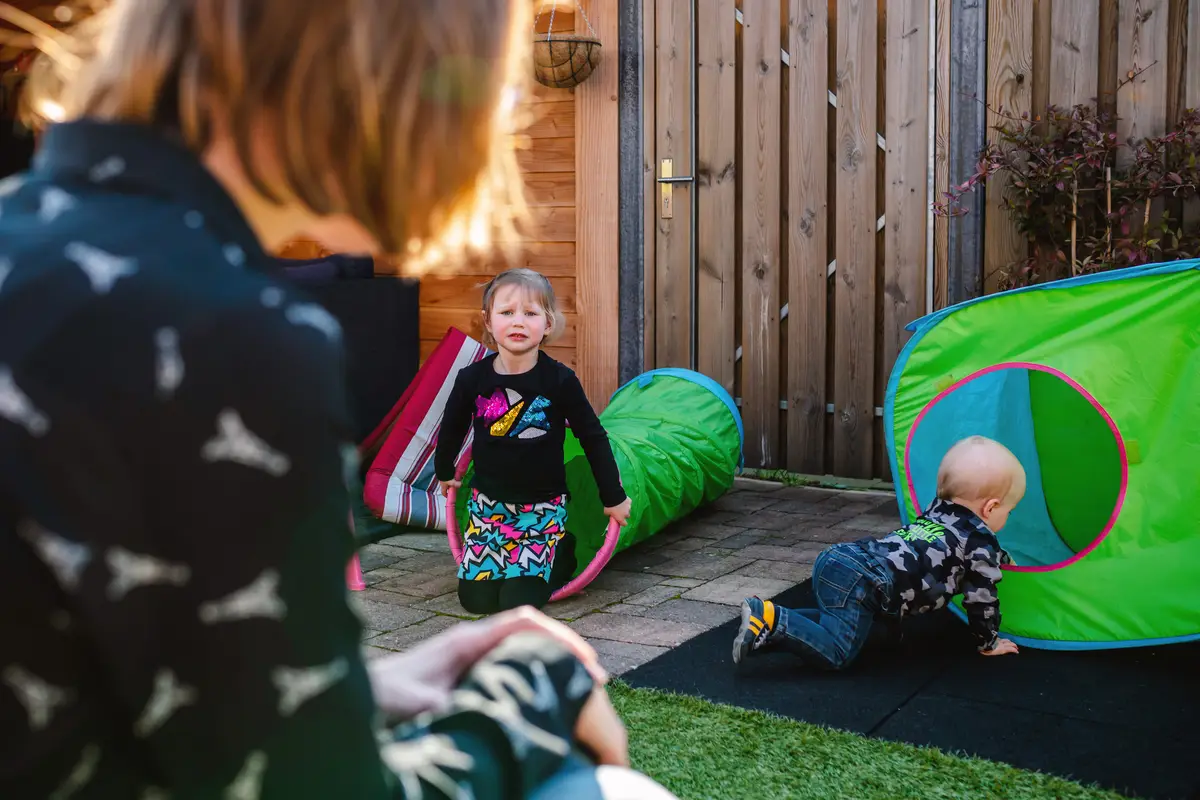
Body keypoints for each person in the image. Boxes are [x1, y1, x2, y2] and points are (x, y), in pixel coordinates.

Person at [0, 1, 673, 797]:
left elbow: (124, 665)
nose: (505, 111)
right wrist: (527, 695)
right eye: (483, 78)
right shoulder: (239, 335)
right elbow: (316, 787)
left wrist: (368, 684)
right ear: (371, 72)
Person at [732, 435, 1027, 671]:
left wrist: (997, 556)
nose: (1008, 517)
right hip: (866, 582)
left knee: (844, 623)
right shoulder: (979, 541)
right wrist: (988, 641)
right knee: (838, 653)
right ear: (990, 508)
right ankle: (771, 618)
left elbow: (957, 547)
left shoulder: (936, 510)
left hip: (844, 557)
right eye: (1009, 511)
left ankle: (768, 626)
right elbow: (981, 598)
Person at [435, 268, 633, 615]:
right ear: (488, 320)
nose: (518, 322)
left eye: (530, 313)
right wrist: (445, 469)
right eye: (507, 312)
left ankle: (561, 550)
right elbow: (451, 425)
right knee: (475, 602)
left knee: (516, 603)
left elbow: (593, 437)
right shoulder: (472, 379)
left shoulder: (559, 381)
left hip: (541, 514)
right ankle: (512, 566)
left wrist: (613, 497)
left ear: (548, 322)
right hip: (488, 512)